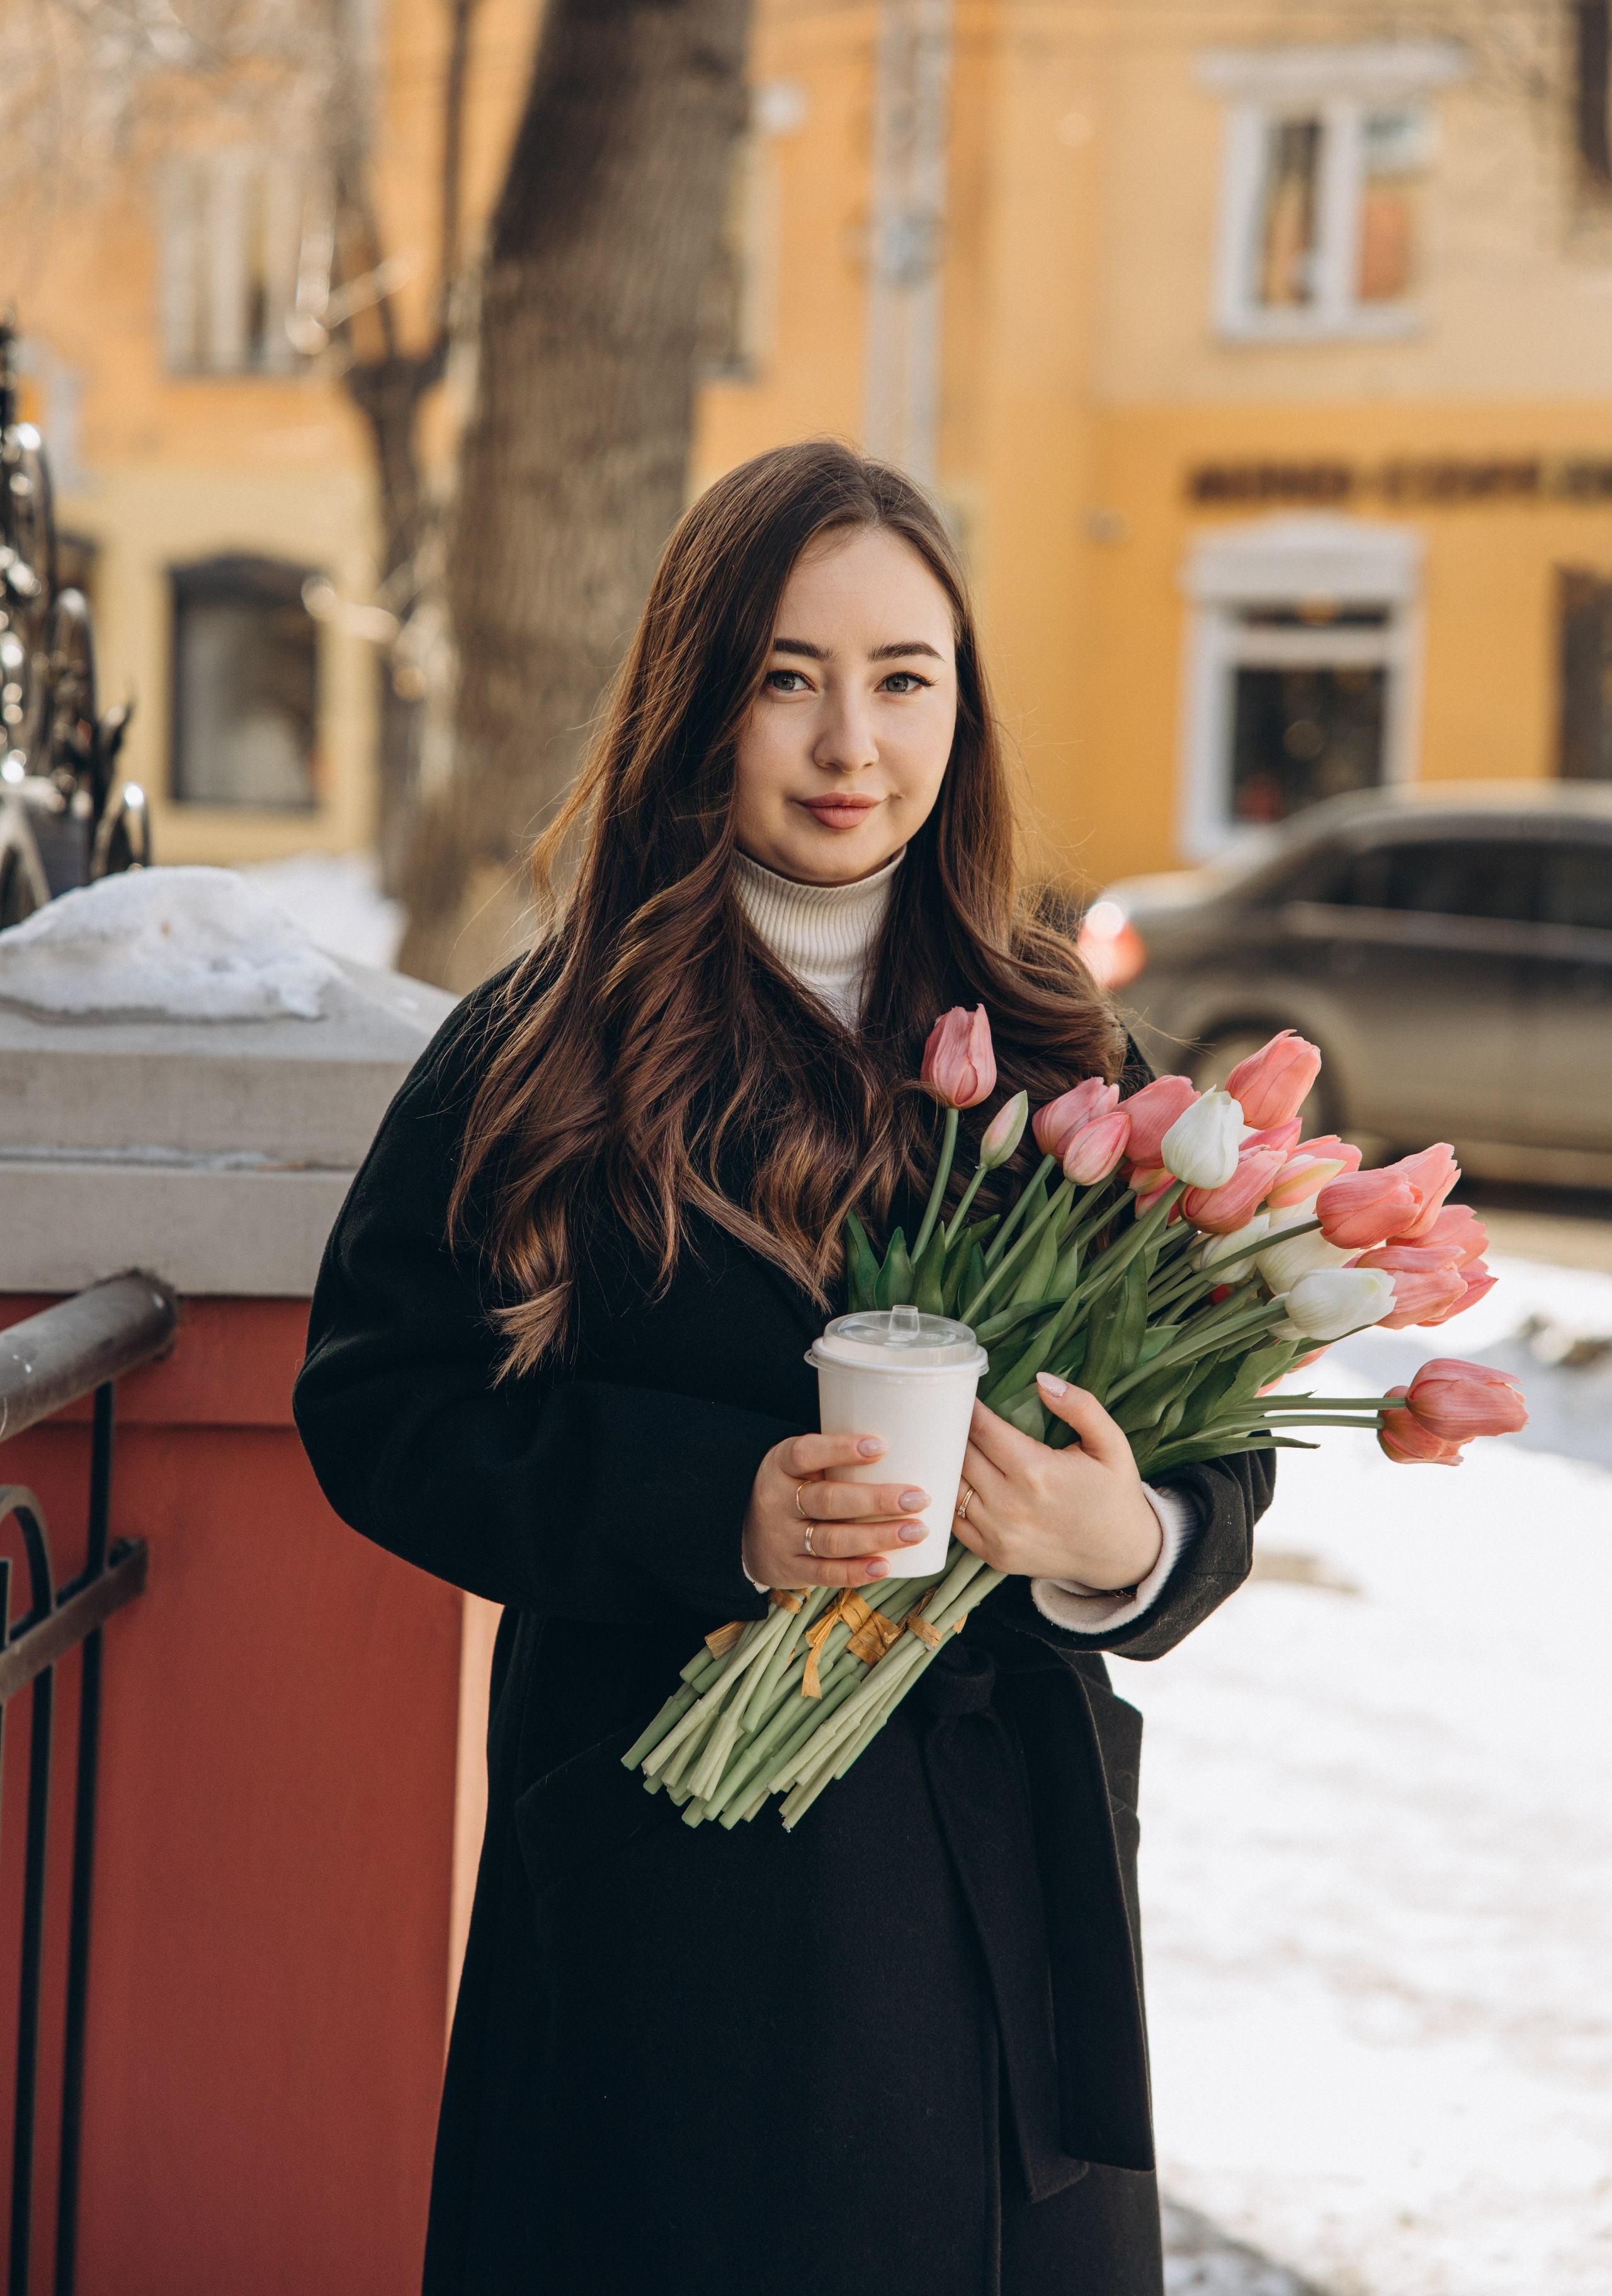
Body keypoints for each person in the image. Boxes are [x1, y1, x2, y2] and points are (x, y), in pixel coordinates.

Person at [293, 439, 1274, 2296]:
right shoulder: (544, 1049)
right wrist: (715, 1509)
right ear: (700, 700)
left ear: (958, 710)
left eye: (904, 680)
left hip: (997, 1922)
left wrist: (1114, 1532)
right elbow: (381, 1407)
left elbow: (1221, 1452)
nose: (851, 746)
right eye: (787, 678)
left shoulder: (1068, 1046)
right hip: (668, 1921)